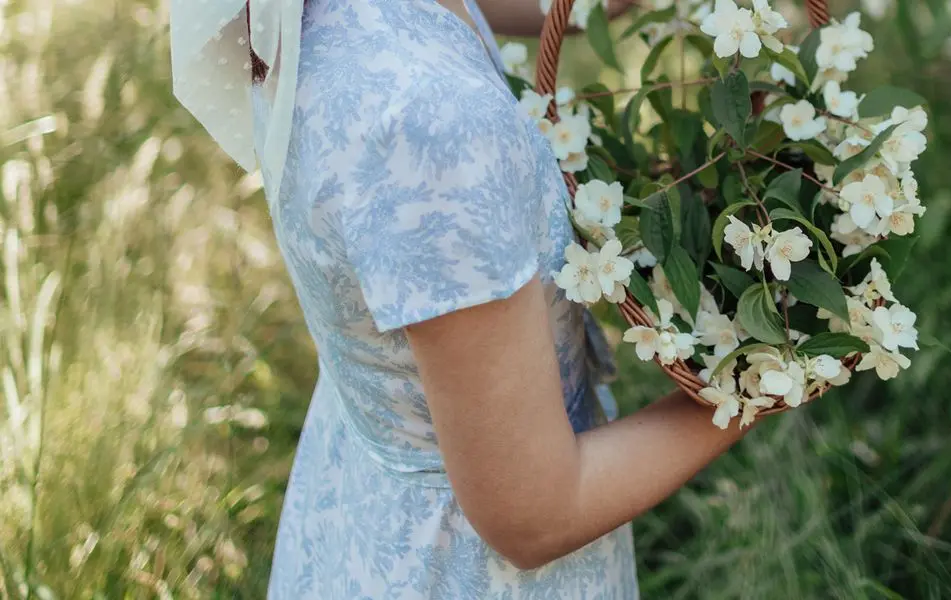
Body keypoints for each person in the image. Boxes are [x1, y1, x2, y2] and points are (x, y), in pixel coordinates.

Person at [171, 0, 754, 597]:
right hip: (462, 566)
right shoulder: (430, 122)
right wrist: (767, 367)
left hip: (361, 513)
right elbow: (535, 515)